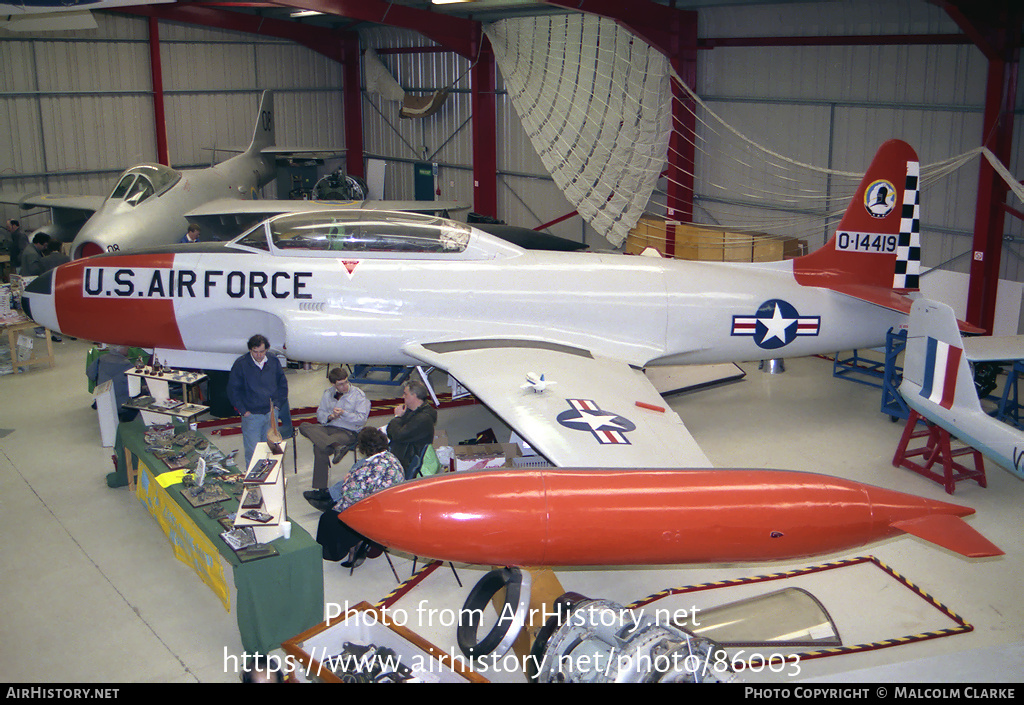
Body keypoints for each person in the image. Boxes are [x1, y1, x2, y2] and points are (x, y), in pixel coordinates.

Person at [313, 427, 404, 565]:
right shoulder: (391, 458)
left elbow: (350, 495)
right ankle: (359, 544)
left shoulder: (368, 469)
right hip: (390, 506)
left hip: (372, 512)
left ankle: (354, 544)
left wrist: (347, 480)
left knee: (327, 518)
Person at [227, 334, 292, 471]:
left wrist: (277, 405)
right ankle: (254, 486)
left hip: (271, 413)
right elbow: (233, 390)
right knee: (253, 452)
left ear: (267, 349)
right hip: (252, 416)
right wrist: (243, 411)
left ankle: (270, 482)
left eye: (261, 352)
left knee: (272, 450)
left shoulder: (273, 361)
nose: (258, 355)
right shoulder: (241, 364)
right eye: (255, 352)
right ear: (250, 350)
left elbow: (282, 384)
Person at [298, 367, 370, 490]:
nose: (345, 386)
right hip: (329, 427)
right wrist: (330, 416)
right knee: (303, 426)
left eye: (346, 382)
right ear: (333, 384)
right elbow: (320, 415)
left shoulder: (358, 395)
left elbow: (361, 419)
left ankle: (320, 489)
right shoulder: (328, 393)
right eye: (341, 384)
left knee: (320, 447)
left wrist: (344, 413)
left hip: (348, 431)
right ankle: (336, 446)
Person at [385, 379, 437, 477]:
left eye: (405, 394)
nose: (403, 396)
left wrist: (397, 417)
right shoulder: (413, 411)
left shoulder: (422, 419)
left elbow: (397, 435)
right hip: (404, 452)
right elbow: (393, 431)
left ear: (414, 396)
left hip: (405, 460)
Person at [86, 345, 138, 422]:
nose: (128, 349)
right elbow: (136, 385)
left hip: (104, 403)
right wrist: (137, 368)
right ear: (120, 349)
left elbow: (90, 374)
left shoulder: (100, 359)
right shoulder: (128, 365)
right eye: (126, 348)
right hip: (122, 406)